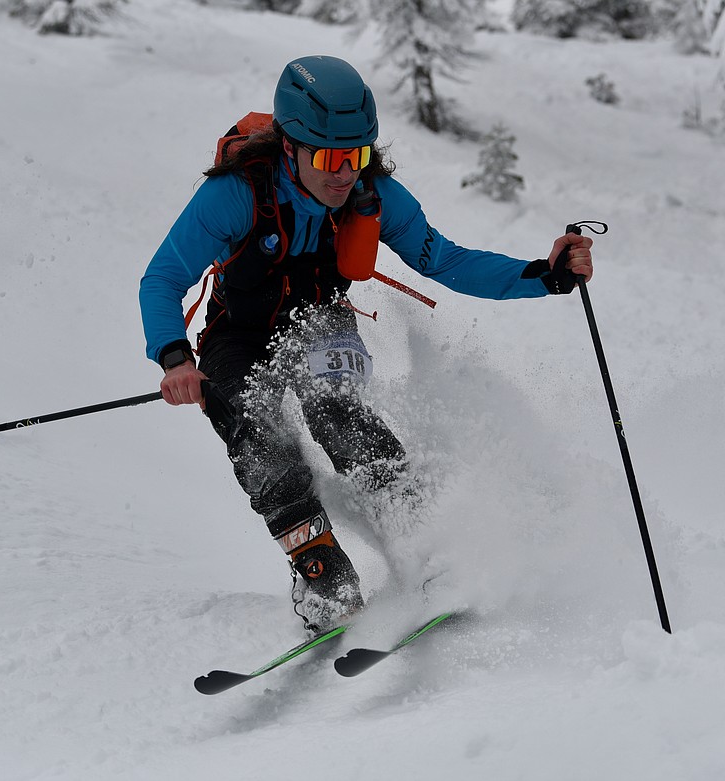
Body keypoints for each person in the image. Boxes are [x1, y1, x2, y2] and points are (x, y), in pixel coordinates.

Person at [139, 55, 593, 634]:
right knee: (250, 426)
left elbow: (444, 259)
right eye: (329, 158)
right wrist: (176, 358)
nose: (343, 174)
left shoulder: (371, 195)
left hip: (323, 320)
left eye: (355, 157)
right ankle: (321, 571)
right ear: (290, 147)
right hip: (241, 334)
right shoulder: (236, 195)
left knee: (336, 409)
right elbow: (161, 278)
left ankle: (426, 545)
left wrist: (545, 275)